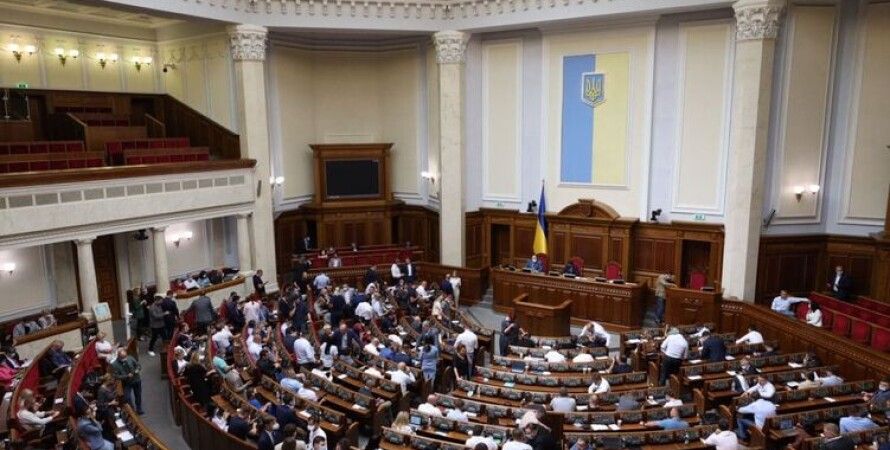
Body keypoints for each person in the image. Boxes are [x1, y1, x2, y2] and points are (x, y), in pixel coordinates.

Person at [111, 348, 144, 415]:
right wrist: (126, 376)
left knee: (138, 395)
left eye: (125, 357)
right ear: (118, 356)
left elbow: (138, 365)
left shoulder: (130, 358)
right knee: (127, 397)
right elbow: (116, 376)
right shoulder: (114, 364)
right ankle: (132, 411)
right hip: (126, 382)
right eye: (123, 358)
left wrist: (137, 369)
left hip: (136, 379)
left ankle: (139, 409)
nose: (125, 359)